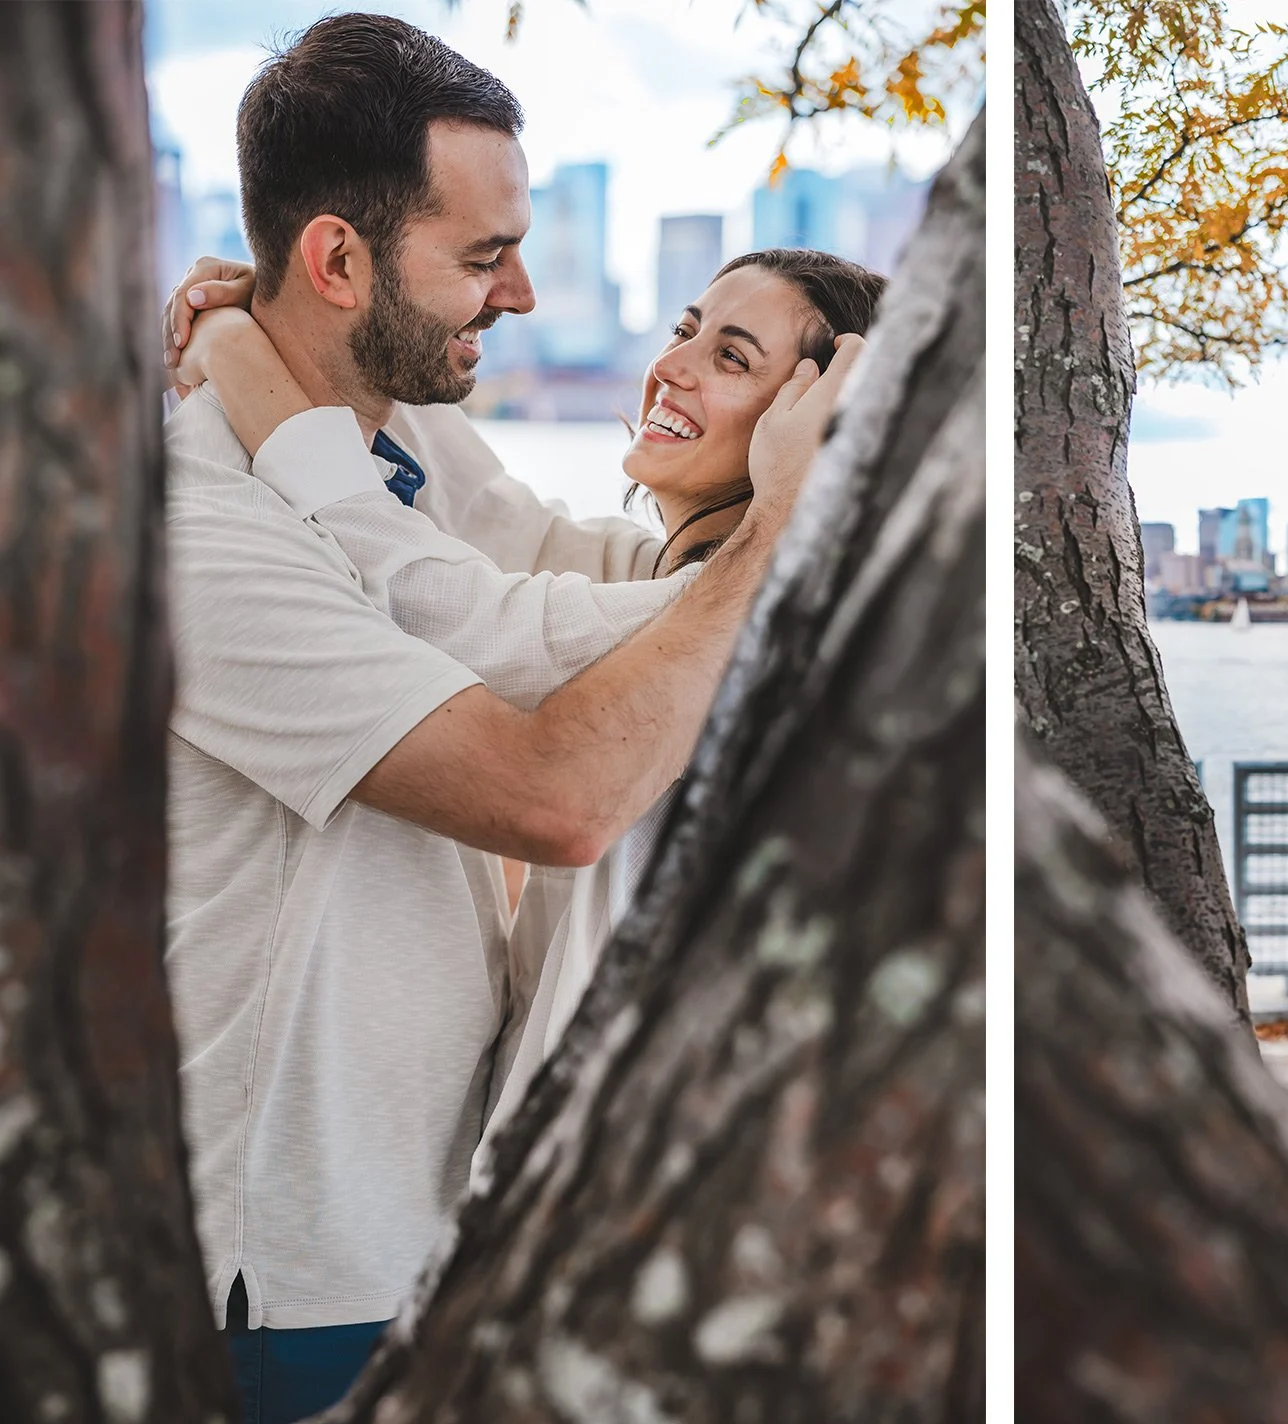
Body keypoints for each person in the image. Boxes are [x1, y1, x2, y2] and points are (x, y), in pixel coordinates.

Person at [155, 14, 852, 1424]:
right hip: (283, 1275)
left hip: (442, 1245)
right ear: (340, 260)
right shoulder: (197, 536)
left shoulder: (394, 457)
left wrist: (235, 328)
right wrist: (784, 527)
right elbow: (555, 784)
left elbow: (510, 572)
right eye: (482, 257)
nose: (523, 294)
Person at [172, 245, 887, 1141]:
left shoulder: (737, 634)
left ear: (814, 425)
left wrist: (235, 343)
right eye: (686, 331)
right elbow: (477, 501)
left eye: (733, 359)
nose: (672, 368)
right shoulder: (655, 579)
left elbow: (426, 589)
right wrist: (291, 311)